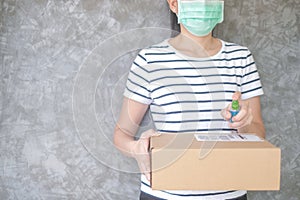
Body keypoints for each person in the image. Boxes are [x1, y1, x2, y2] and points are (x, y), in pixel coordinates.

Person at [114, 0, 265, 199]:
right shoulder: (150, 60)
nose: (202, 4)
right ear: (174, 4)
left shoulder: (241, 57)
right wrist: (136, 149)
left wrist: (243, 123)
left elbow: (259, 134)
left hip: (229, 193)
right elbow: (121, 134)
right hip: (164, 193)